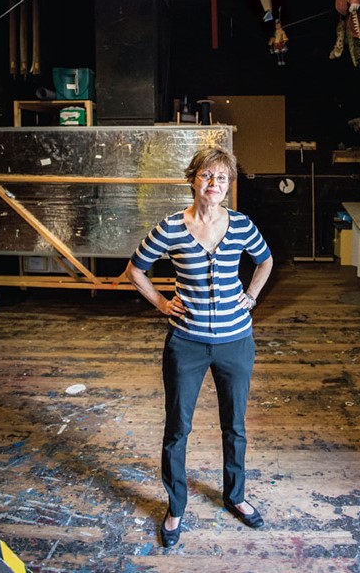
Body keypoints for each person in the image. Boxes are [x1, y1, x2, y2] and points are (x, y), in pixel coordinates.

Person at [125, 146, 273, 548]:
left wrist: (252, 296)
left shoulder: (242, 225)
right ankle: (176, 507)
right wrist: (160, 302)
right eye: (207, 176)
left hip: (235, 342)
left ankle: (236, 496)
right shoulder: (171, 227)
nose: (214, 184)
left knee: (235, 426)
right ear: (193, 179)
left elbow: (265, 260)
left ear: (228, 185)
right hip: (186, 343)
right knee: (177, 428)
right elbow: (135, 269)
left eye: (222, 178)